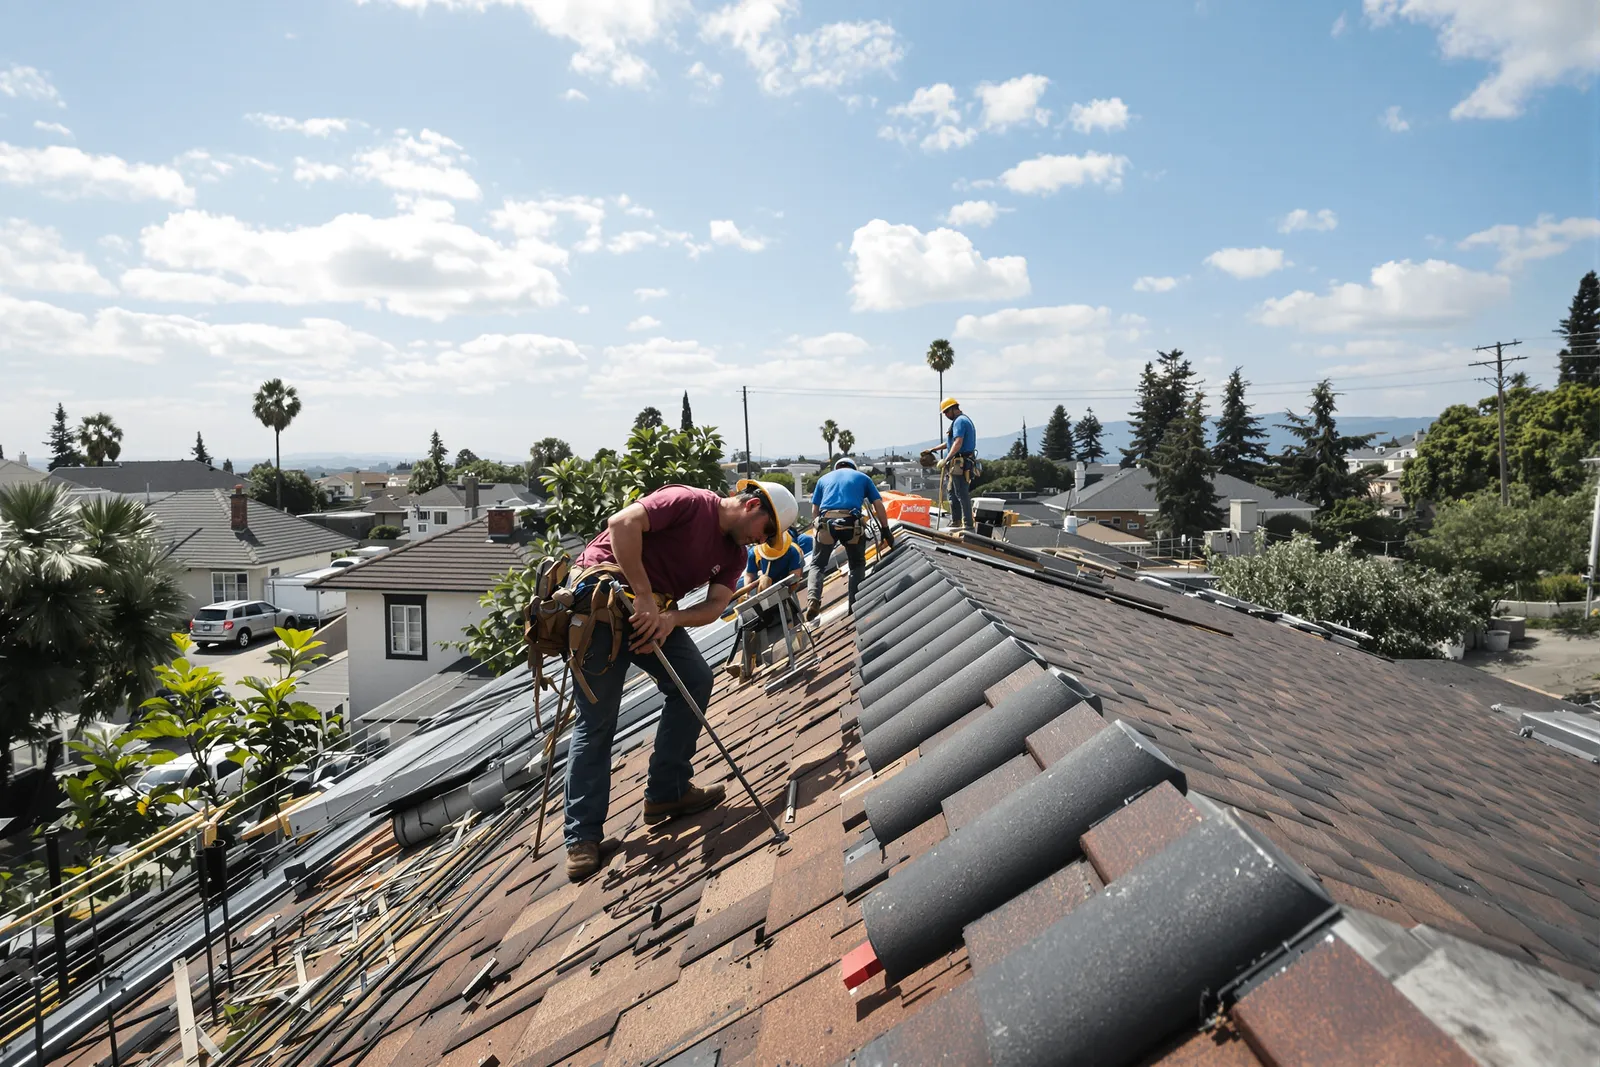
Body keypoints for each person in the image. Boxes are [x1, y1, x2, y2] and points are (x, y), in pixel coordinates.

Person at [563, 479, 798, 882]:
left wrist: (670, 618)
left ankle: (667, 792)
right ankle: (582, 838)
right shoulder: (690, 503)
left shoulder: (735, 555)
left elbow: (715, 606)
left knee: (694, 680)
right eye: (768, 531)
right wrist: (644, 596)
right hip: (602, 600)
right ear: (752, 505)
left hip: (652, 615)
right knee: (598, 719)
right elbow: (621, 524)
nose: (764, 541)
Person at [806, 457, 892, 619]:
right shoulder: (863, 478)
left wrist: (817, 529)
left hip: (826, 524)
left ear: (837, 468)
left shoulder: (824, 479)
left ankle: (813, 599)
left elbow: (814, 510)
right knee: (857, 564)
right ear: (854, 468)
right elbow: (878, 504)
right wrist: (886, 530)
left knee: (817, 564)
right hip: (851, 524)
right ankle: (855, 605)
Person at [928, 397, 976, 530]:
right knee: (952, 492)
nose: (945, 415)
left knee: (961, 493)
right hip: (957, 462)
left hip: (960, 462)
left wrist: (946, 459)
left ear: (952, 409)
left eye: (946, 412)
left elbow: (958, 442)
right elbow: (950, 442)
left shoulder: (960, 421)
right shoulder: (960, 421)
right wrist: (934, 449)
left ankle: (968, 524)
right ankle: (956, 521)